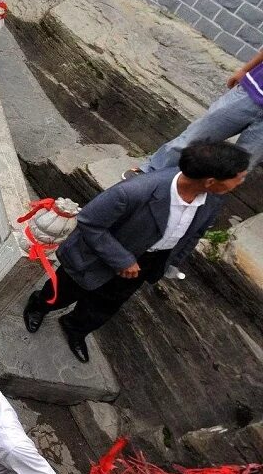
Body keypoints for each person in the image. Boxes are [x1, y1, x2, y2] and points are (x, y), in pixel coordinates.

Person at [24, 141, 250, 363]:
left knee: (107, 304)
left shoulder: (213, 199)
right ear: (211, 181)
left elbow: (194, 234)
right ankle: (40, 306)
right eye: (238, 177)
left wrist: (172, 262)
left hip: (147, 261)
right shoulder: (135, 191)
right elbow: (90, 222)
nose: (241, 181)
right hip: (96, 256)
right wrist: (121, 259)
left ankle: (75, 327)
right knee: (66, 289)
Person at [127, 45, 263, 178]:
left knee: (242, 165)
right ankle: (149, 172)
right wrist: (244, 70)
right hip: (251, 92)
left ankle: (194, 195)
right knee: (195, 137)